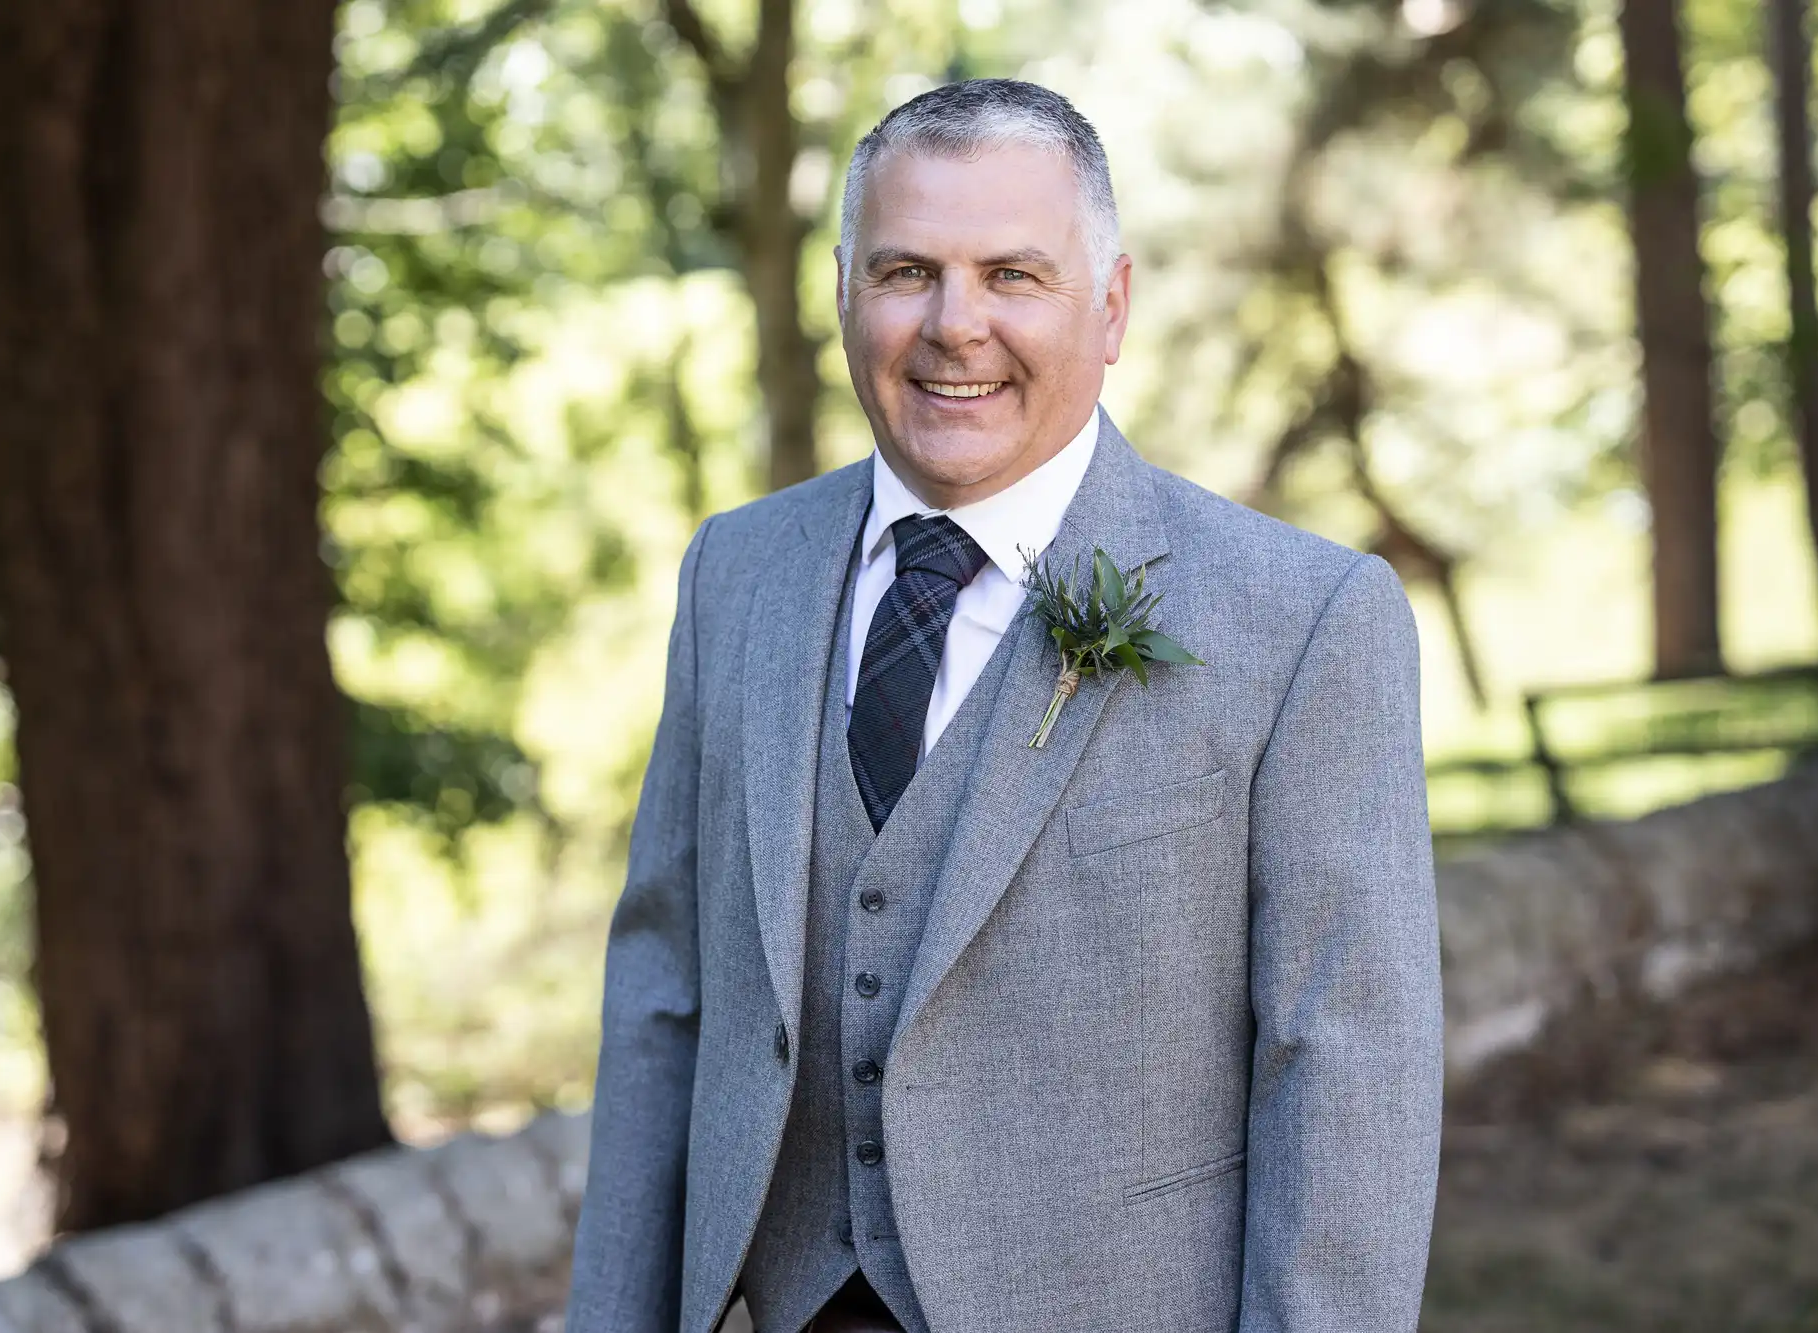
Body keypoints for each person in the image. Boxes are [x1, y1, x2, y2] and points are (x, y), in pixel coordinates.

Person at [566, 77, 1443, 1333]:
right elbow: (663, 996)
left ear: (1111, 305)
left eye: (1012, 275)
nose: (952, 326)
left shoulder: (1301, 619)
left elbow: (1345, 1072)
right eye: (905, 271)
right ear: (842, 294)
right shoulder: (736, 574)